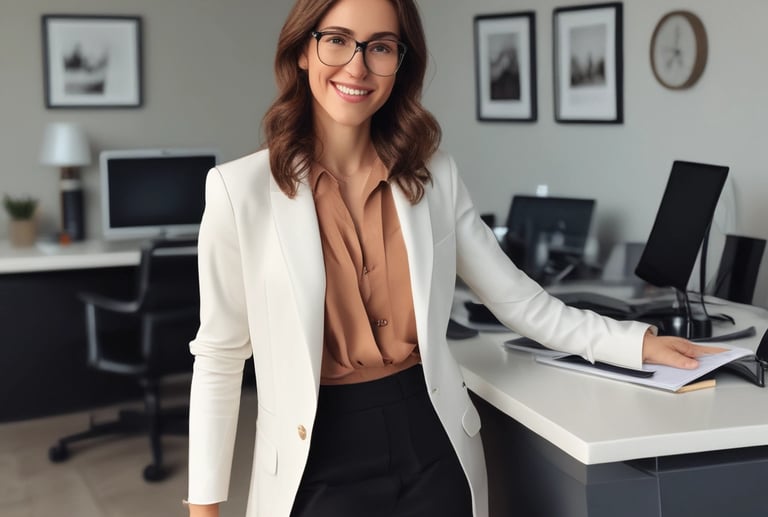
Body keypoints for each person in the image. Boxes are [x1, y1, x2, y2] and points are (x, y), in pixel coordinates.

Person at [186, 0, 723, 516]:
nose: (357, 65)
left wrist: (636, 342)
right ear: (303, 51)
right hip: (315, 458)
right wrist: (204, 508)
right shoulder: (241, 191)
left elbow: (519, 301)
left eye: (380, 47)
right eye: (337, 41)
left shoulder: (433, 174)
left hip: (430, 440)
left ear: (401, 62)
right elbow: (219, 359)